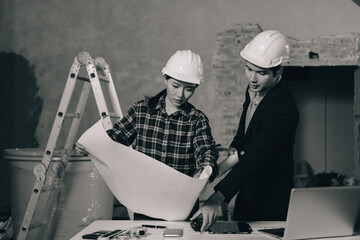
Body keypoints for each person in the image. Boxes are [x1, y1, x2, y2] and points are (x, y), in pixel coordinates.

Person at [77, 49, 219, 220]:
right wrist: (91, 145)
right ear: (165, 79)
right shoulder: (141, 111)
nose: (180, 95)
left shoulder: (197, 120)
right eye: (175, 86)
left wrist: (203, 172)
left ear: (196, 87)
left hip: (180, 208)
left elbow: (206, 152)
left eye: (189, 89)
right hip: (143, 203)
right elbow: (116, 138)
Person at [190, 30, 299, 231]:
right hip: (247, 195)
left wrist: (217, 198)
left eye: (262, 73)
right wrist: (216, 171)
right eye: (249, 69)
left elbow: (255, 156)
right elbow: (244, 136)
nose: (253, 78)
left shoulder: (283, 110)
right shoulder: (254, 90)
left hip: (271, 203)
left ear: (278, 72)